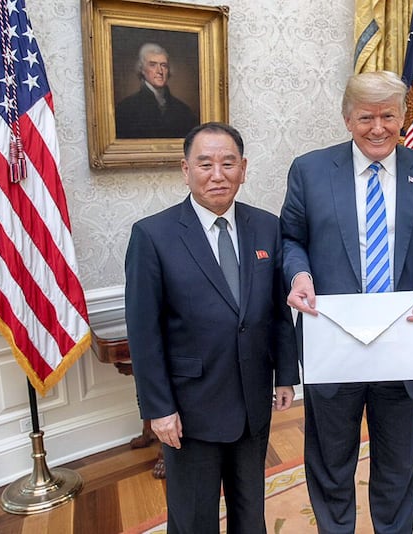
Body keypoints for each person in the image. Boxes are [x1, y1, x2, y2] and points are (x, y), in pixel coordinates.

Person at [280, 71, 413, 533]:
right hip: (332, 341)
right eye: (366, 117)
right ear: (347, 119)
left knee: (398, 463)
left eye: (388, 115)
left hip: (402, 342)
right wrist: (299, 275)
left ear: (404, 117)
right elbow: (290, 239)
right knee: (330, 461)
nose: (378, 127)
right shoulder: (310, 170)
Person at [125, 122, 299, 533]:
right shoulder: (153, 235)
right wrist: (158, 409)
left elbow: (277, 311)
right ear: (186, 170)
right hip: (190, 408)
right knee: (194, 518)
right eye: (205, 164)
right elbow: (143, 332)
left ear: (244, 168)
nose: (217, 174)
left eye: (228, 163)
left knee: (250, 511)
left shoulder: (267, 227)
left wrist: (286, 376)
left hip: (252, 401)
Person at [115, 42, 198, 139]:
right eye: (152, 65)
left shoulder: (183, 110)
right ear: (142, 69)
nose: (159, 71)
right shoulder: (126, 108)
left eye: (164, 65)